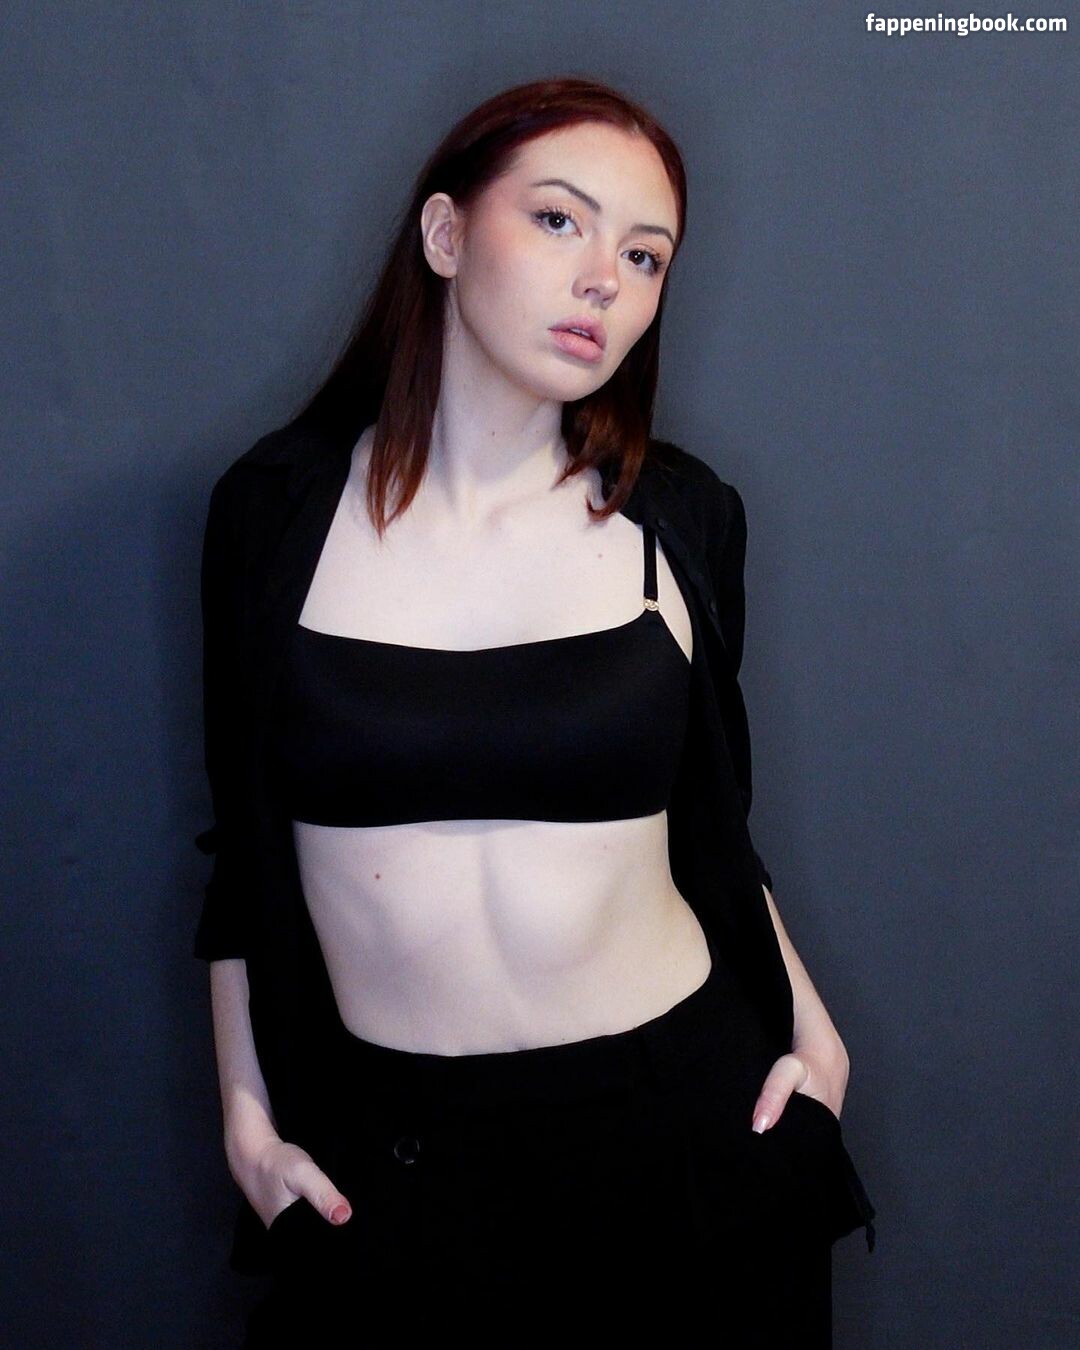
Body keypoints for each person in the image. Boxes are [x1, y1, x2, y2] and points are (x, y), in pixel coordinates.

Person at [193, 77, 876, 1346]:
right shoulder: (272, 516)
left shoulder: (680, 519)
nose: (603, 278)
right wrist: (244, 1110)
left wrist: (817, 1040)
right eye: (560, 221)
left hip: (687, 1134)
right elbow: (242, 840)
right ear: (447, 234)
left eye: (645, 254)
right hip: (390, 1167)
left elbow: (713, 823)